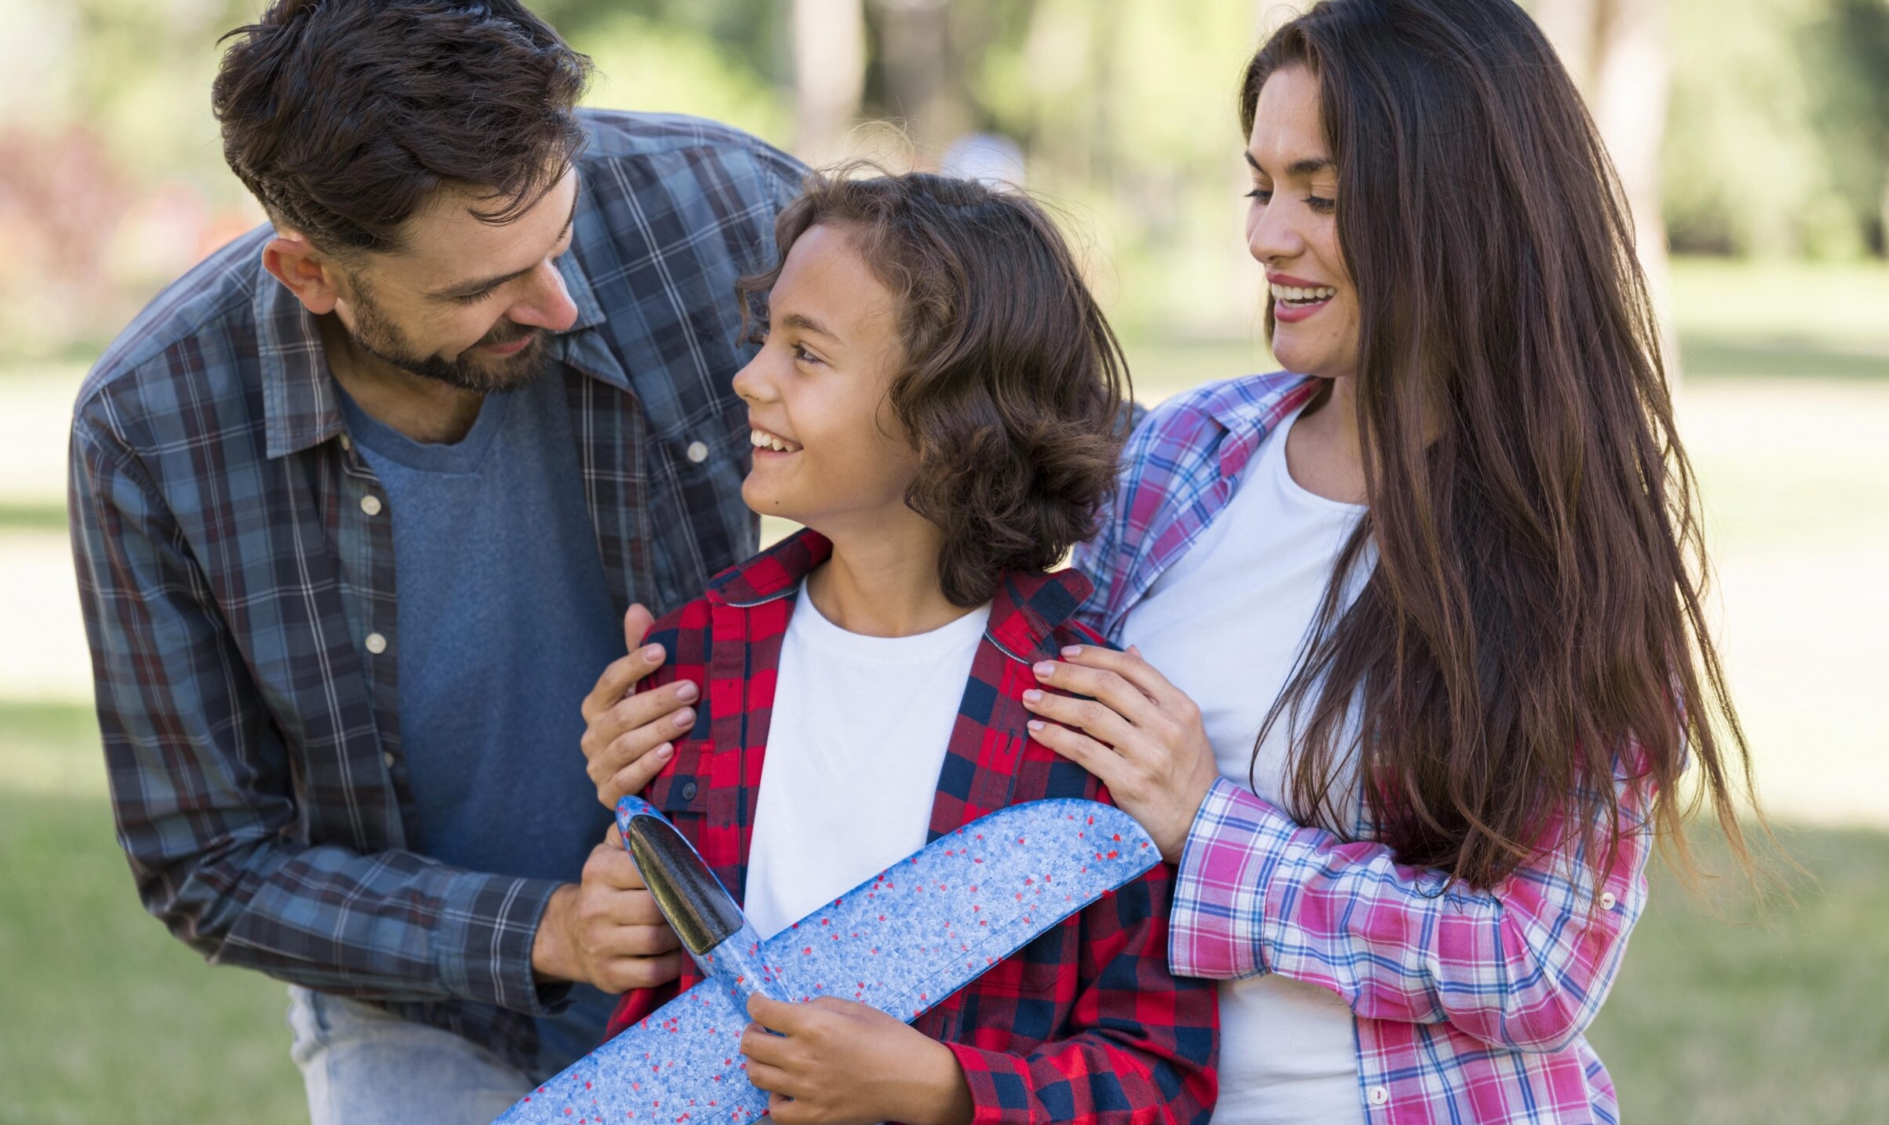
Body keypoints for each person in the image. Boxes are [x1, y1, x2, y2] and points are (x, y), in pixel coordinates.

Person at [1011, 1, 1760, 1122]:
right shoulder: (1179, 459)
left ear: (1454, 208)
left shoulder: (1570, 545)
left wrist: (1203, 826)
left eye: (1320, 195)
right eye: (1260, 188)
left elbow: (1531, 963)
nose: (1267, 237)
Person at [65, 0, 804, 1120]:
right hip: (418, 997)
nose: (557, 303)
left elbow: (1024, 433)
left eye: (557, 239)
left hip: (763, 931)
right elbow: (208, 861)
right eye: (479, 290)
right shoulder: (150, 429)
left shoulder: (724, 211)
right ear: (309, 273)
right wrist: (550, 929)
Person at [602, 170, 1217, 1125]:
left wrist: (941, 1088)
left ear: (946, 422)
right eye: (764, 336)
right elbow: (657, 1022)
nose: (750, 376)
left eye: (806, 353)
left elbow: (1159, 1075)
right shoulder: (692, 667)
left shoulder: (1085, 720)